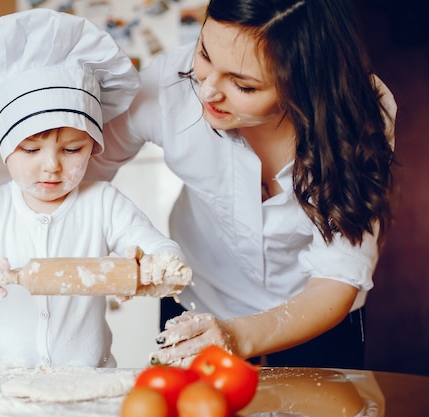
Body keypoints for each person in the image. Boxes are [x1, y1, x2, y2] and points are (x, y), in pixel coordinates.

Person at [0, 9, 192, 380]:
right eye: (30, 150)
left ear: (94, 146)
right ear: (5, 147)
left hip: (85, 380)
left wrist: (153, 267)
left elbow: (169, 255)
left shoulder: (104, 203)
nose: (52, 167)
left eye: (72, 149)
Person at [86, 0, 397, 369]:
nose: (207, 91)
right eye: (204, 53)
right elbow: (88, 169)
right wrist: (112, 242)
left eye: (243, 85)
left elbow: (338, 274)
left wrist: (238, 336)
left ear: (305, 83)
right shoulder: (170, 85)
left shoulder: (359, 115)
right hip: (198, 302)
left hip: (315, 312)